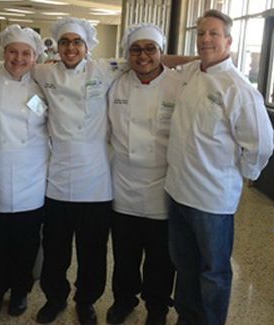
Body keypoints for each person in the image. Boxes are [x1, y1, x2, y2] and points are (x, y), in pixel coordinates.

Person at [164, 10, 274, 325]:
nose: (206, 40)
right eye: (201, 34)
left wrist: (243, 177)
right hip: (177, 191)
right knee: (184, 266)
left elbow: (261, 144)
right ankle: (188, 319)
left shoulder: (238, 89)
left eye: (214, 34)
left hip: (212, 200)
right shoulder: (190, 73)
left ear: (229, 40)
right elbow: (165, 61)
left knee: (213, 272)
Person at [32, 17, 125, 325]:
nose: (70, 48)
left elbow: (152, 58)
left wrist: (199, 62)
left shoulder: (105, 69)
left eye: (77, 42)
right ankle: (55, 298)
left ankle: (86, 301)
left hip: (96, 183)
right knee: (55, 250)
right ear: (56, 47)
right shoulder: (44, 72)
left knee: (93, 253)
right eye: (65, 42)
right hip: (57, 180)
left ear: (87, 47)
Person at [106, 23, 180, 325]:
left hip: (163, 184)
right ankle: (124, 300)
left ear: (161, 52)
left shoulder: (179, 84)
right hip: (124, 182)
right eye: (136, 49)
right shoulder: (117, 82)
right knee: (124, 253)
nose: (143, 55)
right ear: (128, 54)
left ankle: (157, 307)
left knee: (161, 258)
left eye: (150, 48)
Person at [0, 24, 48, 318]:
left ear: (35, 57)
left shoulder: (43, 85)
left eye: (26, 53)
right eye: (13, 52)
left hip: (31, 178)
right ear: (3, 53)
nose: (19, 58)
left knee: (26, 244)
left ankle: (20, 292)